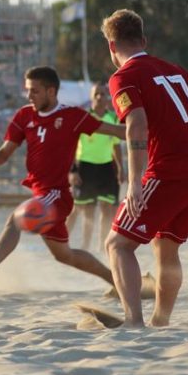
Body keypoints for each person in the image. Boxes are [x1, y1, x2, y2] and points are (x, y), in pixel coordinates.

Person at [101, 9, 188, 327]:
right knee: (165, 248)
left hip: (168, 172)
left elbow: (136, 125)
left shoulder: (122, 77)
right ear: (143, 40)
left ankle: (133, 322)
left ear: (112, 47)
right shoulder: (175, 70)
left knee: (117, 244)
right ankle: (161, 320)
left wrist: (134, 182)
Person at [0, 66, 126, 288]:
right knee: (64, 255)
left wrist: (144, 127)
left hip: (56, 195)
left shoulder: (72, 116)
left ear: (51, 92)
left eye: (34, 91)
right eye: (27, 91)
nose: (29, 96)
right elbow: (3, 154)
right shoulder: (24, 116)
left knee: (16, 218)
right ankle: (116, 280)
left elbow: (117, 131)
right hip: (39, 193)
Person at [66, 82, 124, 252]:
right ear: (91, 97)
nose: (100, 97)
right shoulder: (83, 118)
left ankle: (102, 246)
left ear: (108, 98)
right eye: (96, 94)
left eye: (103, 94)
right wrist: (73, 171)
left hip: (106, 169)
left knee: (108, 210)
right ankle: (84, 246)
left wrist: (121, 168)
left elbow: (116, 146)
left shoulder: (113, 118)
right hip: (85, 168)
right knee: (87, 211)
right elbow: (70, 146)